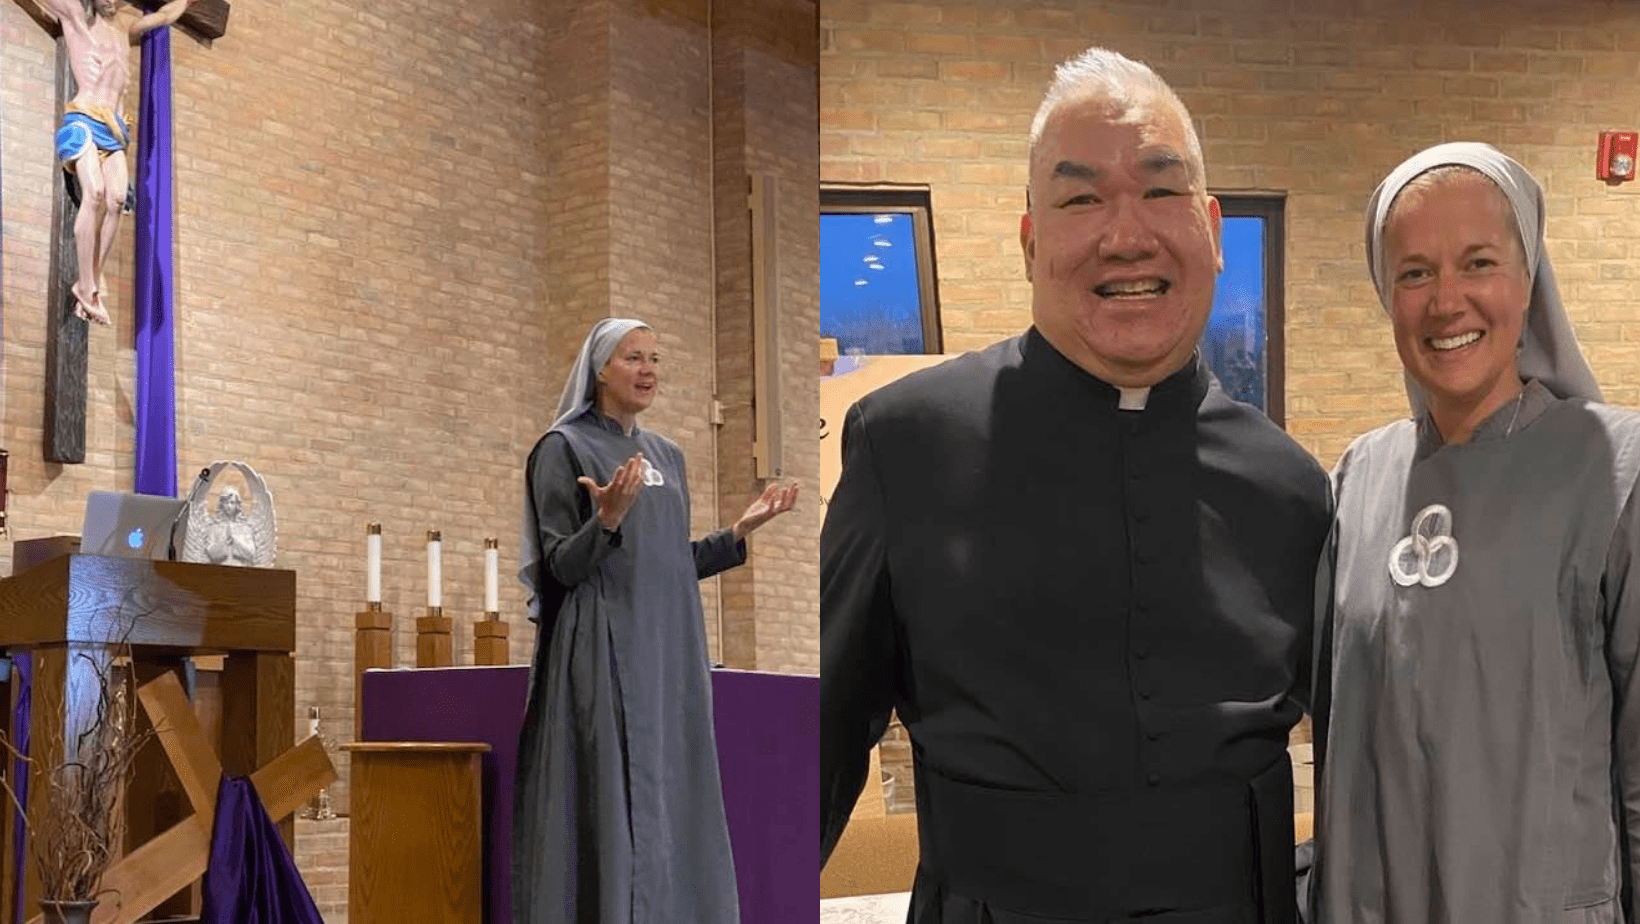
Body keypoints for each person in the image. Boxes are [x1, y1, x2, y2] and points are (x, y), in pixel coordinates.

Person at [820, 46, 1331, 924]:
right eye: (1081, 197)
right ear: (1030, 242)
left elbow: (1368, 763)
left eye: (1161, 190)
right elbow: (821, 747)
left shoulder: (1291, 487)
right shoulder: (902, 446)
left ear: (1211, 229)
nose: (1125, 233)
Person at [1309, 143, 1640, 923]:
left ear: (1528, 282)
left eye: (1478, 262)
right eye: (1414, 272)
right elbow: (1337, 733)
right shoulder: (1360, 477)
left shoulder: (1616, 470)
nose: (1445, 300)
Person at [513, 317, 798, 924]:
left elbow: (670, 563)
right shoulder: (562, 448)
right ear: (598, 369)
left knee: (677, 796)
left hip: (670, 653)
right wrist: (607, 520)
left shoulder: (666, 453)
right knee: (611, 804)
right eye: (633, 357)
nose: (648, 369)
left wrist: (737, 534)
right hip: (602, 650)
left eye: (656, 358)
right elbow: (560, 565)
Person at [38, 0, 197, 326]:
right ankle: (88, 287)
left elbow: (166, 14)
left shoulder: (126, 25)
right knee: (94, 192)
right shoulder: (76, 17)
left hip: (114, 130)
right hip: (84, 117)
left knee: (118, 199)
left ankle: (90, 282)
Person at [203, 486, 254, 566]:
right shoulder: (214, 527)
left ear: (237, 505)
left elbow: (251, 553)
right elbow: (210, 553)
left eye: (232, 502)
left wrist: (235, 541)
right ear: (222, 504)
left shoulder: (244, 528)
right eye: (226, 502)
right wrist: (224, 542)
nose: (229, 506)